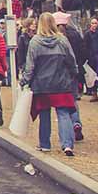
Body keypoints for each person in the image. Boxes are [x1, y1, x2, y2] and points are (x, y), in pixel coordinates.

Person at [21, 12, 78, 156]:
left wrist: (25, 81)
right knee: (63, 114)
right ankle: (67, 144)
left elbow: (30, 66)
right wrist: (73, 73)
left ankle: (45, 144)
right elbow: (71, 60)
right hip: (61, 82)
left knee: (44, 114)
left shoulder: (35, 42)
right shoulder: (62, 40)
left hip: (42, 84)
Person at [54, 12, 86, 141]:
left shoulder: (54, 38)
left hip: (58, 74)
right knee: (73, 100)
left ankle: (67, 133)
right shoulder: (75, 35)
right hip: (73, 71)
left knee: (61, 105)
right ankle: (76, 122)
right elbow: (83, 51)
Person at [82, 17, 98, 101]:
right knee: (92, 76)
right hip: (91, 57)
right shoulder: (87, 34)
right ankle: (94, 94)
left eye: (95, 23)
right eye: (92, 23)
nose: (94, 25)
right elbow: (85, 46)